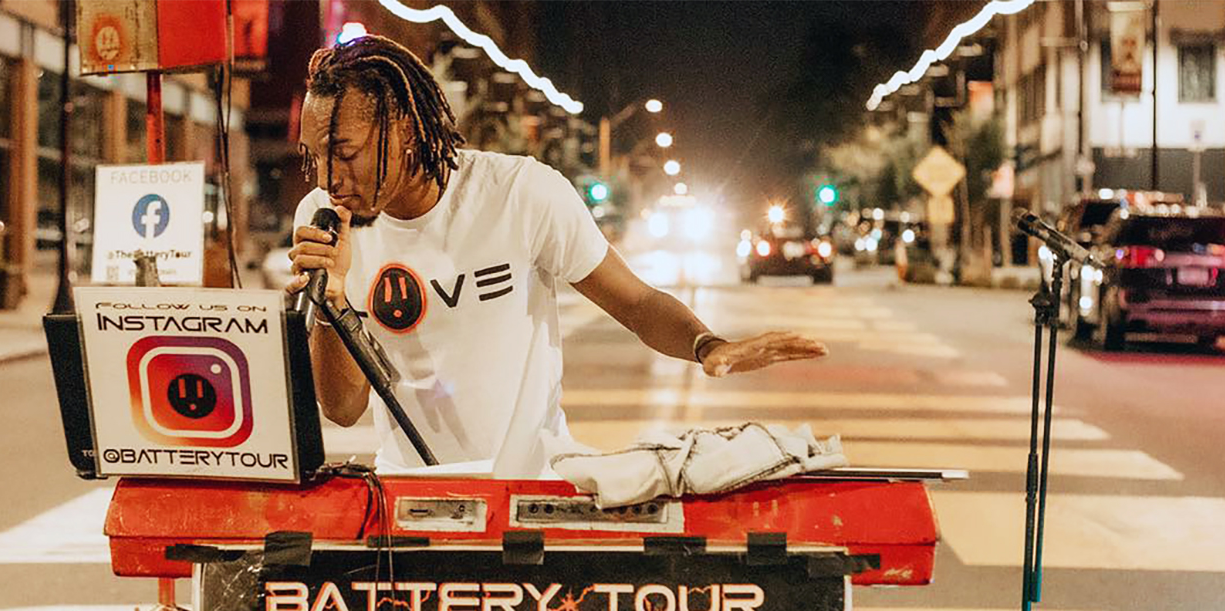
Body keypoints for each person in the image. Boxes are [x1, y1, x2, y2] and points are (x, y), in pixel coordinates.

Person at [287, 36, 825, 477]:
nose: (330, 177)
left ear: (403, 125)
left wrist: (708, 345)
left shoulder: (520, 193)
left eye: (345, 152)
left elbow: (636, 303)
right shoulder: (324, 220)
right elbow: (342, 409)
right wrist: (334, 301)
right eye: (316, 157)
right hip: (408, 495)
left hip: (531, 487)